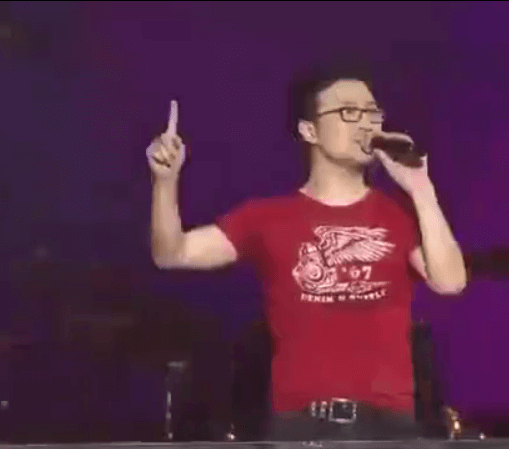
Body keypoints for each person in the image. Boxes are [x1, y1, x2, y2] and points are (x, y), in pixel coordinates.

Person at [147, 61, 467, 441]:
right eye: (349, 112)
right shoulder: (266, 218)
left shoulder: (397, 215)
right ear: (309, 130)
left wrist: (421, 189)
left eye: (372, 112)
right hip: (300, 427)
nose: (366, 124)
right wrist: (165, 181)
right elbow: (172, 253)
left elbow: (450, 282)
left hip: (388, 427)